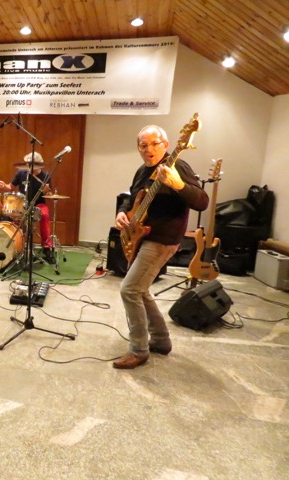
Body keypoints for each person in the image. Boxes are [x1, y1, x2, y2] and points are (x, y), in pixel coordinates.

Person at [113, 125, 209, 369]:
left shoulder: (178, 166)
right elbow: (130, 197)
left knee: (129, 289)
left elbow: (202, 201)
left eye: (155, 144)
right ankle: (161, 340)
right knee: (141, 289)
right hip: (141, 236)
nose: (149, 149)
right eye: (143, 145)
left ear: (166, 145)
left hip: (162, 239)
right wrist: (122, 212)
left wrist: (178, 185)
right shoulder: (142, 171)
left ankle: (138, 350)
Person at [0, 152, 55, 264]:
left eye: (33, 165)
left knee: (44, 215)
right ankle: (15, 244)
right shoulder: (21, 173)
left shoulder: (45, 176)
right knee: (8, 214)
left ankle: (47, 248)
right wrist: (3, 186)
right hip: (22, 204)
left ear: (40, 165)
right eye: (28, 165)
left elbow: (50, 195)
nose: (30, 167)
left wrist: (46, 191)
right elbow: (10, 187)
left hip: (39, 204)